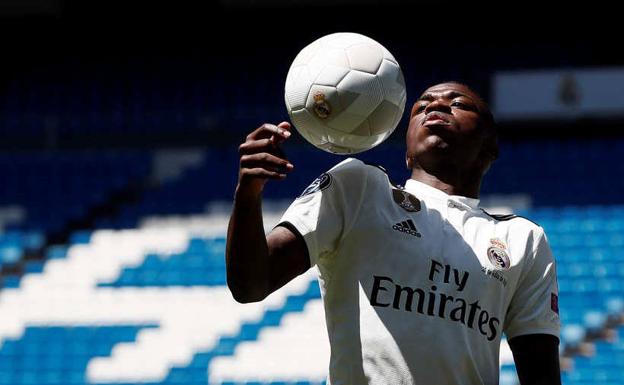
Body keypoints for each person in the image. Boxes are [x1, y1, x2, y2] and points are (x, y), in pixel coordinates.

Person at [226, 82, 561, 385]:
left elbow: (541, 374)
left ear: (490, 148)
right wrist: (248, 194)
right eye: (422, 106)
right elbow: (251, 284)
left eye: (458, 103)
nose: (437, 106)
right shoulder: (358, 187)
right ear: (407, 150)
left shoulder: (523, 239)